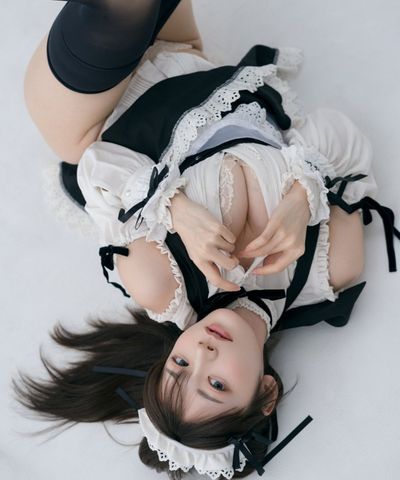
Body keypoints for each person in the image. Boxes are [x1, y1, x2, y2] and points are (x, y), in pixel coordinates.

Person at [17, 1, 400, 479]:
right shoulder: (328, 269)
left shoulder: (163, 284)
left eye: (179, 364)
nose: (203, 353)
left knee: (110, 12)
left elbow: (98, 167)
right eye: (216, 385)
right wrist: (303, 196)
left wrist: (176, 208)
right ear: (265, 394)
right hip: (185, 53)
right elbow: (343, 136)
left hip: (91, 115)